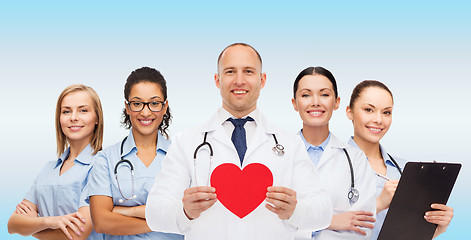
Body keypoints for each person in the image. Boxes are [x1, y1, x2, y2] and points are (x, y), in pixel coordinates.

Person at [145, 43, 333, 240]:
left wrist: (296, 211)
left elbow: (323, 212)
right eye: (230, 72)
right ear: (217, 80)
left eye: (249, 71)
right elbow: (154, 213)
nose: (239, 80)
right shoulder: (186, 142)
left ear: (262, 80)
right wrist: (184, 212)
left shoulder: (290, 144)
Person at [346, 80, 454, 239]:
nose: (379, 120)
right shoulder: (331, 164)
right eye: (369, 110)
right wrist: (378, 204)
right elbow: (316, 228)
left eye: (386, 112)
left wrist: (435, 228)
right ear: (349, 112)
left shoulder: (406, 170)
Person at [86, 67, 183, 240]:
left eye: (154, 103)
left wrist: (126, 211)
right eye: (137, 103)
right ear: (127, 107)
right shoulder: (106, 160)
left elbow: (190, 215)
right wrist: (164, 220)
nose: (145, 112)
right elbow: (101, 222)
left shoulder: (182, 156)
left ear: (165, 106)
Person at [7, 84, 104, 240]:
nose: (73, 117)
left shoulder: (101, 166)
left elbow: (77, 233)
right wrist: (50, 221)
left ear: (97, 118)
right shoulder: (48, 169)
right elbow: (12, 225)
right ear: (59, 119)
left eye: (83, 110)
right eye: (66, 111)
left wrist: (33, 227)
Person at [291, 67, 376, 239]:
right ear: (295, 103)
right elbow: (268, 225)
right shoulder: (279, 154)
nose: (315, 102)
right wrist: (331, 221)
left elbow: (363, 228)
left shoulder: (356, 160)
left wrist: (301, 224)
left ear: (336, 102)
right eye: (306, 95)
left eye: (324, 94)